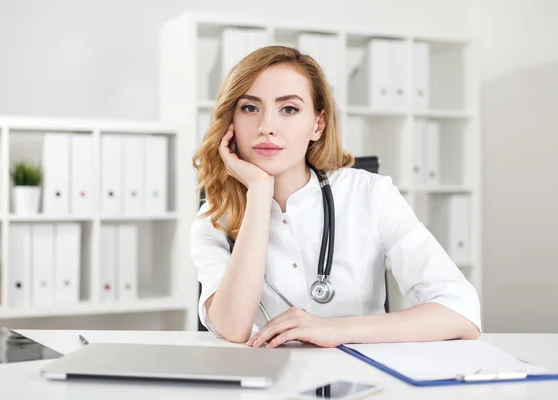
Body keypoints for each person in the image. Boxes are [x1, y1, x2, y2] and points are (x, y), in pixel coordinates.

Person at [190, 45, 481, 349]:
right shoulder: (214, 217)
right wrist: (260, 192)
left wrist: (336, 329)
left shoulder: (370, 194)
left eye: (288, 109)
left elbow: (461, 311)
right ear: (231, 122)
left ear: (318, 124)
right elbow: (233, 329)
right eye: (250, 108)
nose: (266, 128)